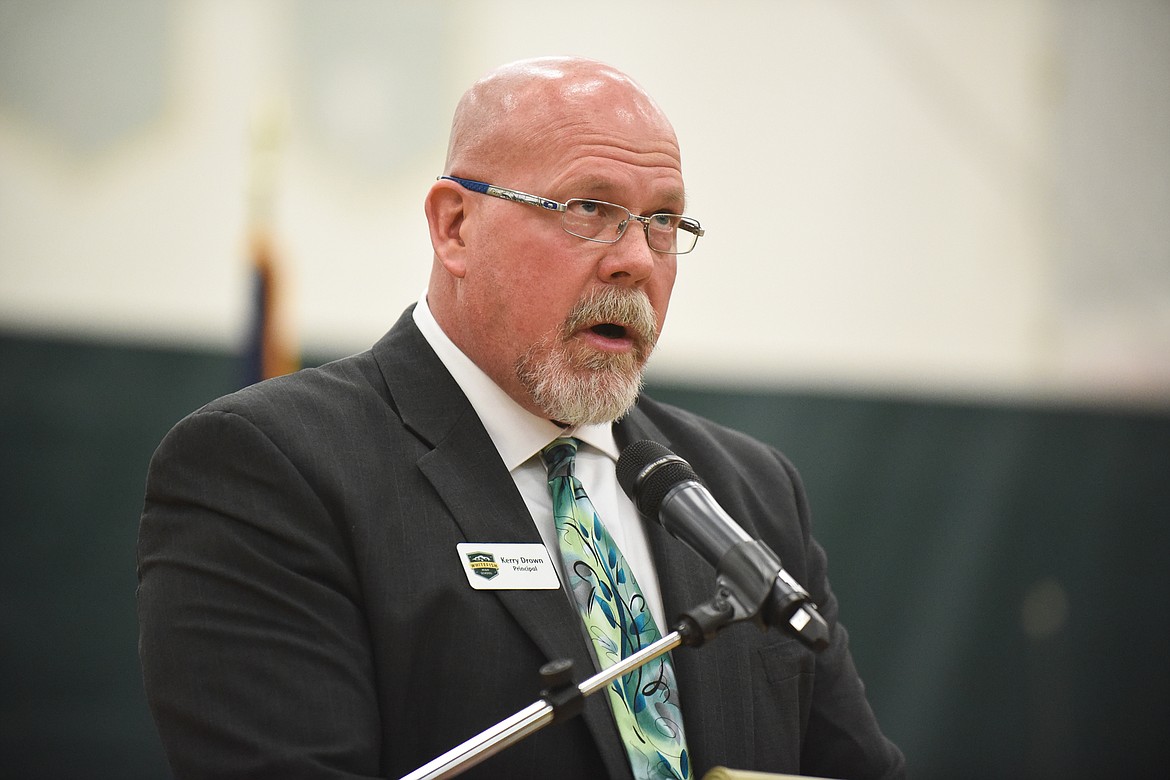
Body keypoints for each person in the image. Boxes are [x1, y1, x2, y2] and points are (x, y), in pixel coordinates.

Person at [137, 56, 905, 780]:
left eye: (664, 221)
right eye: (590, 209)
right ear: (455, 227)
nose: (636, 257)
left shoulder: (749, 491)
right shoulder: (274, 466)